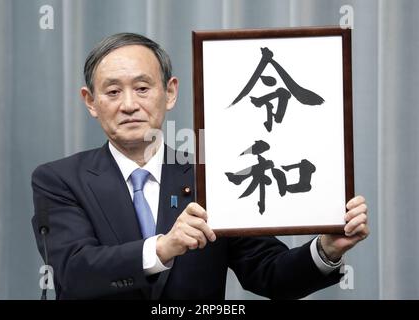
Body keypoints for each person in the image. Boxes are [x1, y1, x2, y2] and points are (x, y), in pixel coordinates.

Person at [31, 33, 369, 300]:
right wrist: (165, 247)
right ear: (91, 102)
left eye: (143, 88)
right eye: (113, 91)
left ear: (170, 92)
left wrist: (326, 248)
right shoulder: (59, 180)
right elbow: (73, 272)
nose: (129, 104)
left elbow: (270, 275)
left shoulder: (214, 176)